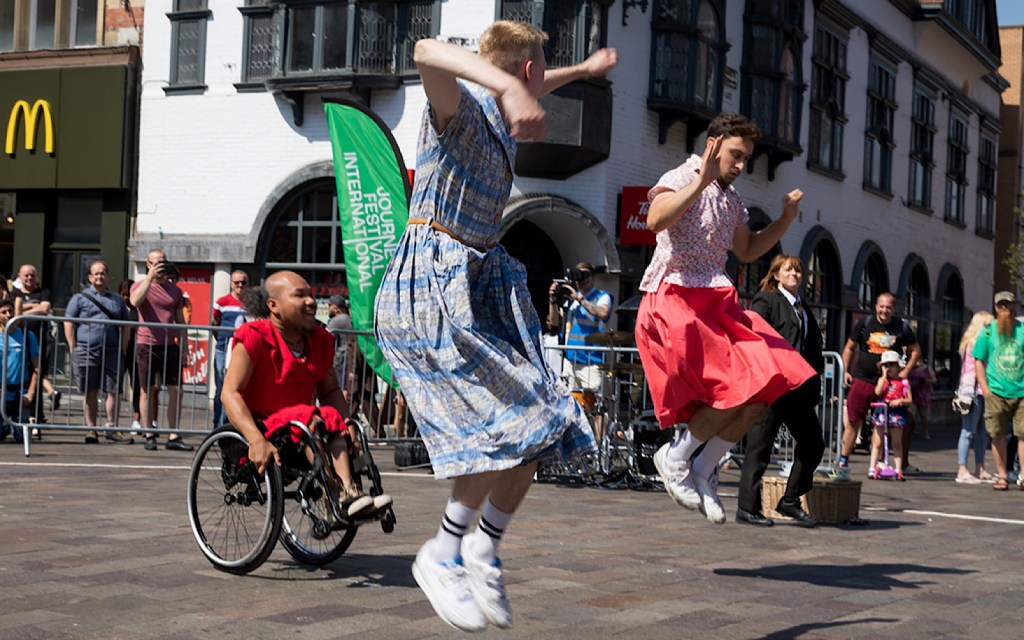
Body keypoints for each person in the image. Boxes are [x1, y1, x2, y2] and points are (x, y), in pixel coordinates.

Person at [374, 22, 617, 632]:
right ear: (523, 73)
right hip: (429, 285)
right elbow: (426, 50)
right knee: (498, 423)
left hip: (478, 281)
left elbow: (531, 76)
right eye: (540, 70)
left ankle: (481, 548)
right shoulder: (457, 108)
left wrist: (580, 73)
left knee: (544, 420)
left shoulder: (515, 92)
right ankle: (443, 552)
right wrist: (512, 91)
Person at [636, 113, 814, 526]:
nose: (740, 165)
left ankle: (703, 469)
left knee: (767, 383)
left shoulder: (732, 199)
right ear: (713, 145)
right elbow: (654, 219)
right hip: (677, 298)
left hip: (717, 301)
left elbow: (749, 250)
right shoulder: (682, 175)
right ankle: (676, 457)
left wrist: (785, 220)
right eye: (735, 155)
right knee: (731, 389)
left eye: (746, 158)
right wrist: (698, 183)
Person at [220, 271, 392, 520]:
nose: (311, 302)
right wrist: (256, 440)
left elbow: (330, 390)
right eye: (299, 295)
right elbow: (229, 393)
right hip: (263, 427)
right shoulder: (254, 337)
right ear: (273, 306)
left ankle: (348, 492)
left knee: (332, 419)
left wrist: (347, 426)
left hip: (303, 426)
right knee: (310, 417)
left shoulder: (319, 341)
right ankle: (333, 491)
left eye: (311, 295)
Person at [736, 255, 825, 527]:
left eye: (798, 271)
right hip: (772, 384)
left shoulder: (803, 307)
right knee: (759, 448)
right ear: (776, 275)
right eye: (788, 270)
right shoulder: (768, 300)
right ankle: (747, 509)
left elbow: (811, 345)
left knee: (813, 443)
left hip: (797, 387)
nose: (795, 274)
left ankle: (789, 500)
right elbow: (754, 330)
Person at [839, 293, 921, 474]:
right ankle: (843, 460)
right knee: (853, 421)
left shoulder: (902, 327)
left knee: (896, 423)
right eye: (881, 307)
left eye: (888, 307)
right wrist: (845, 370)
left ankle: (895, 464)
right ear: (876, 306)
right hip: (862, 379)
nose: (884, 311)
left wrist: (905, 372)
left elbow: (915, 351)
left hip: (890, 385)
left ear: (894, 309)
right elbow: (849, 347)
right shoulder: (865, 324)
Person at [63, 260, 133, 444]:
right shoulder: (79, 298)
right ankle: (91, 429)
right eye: (96, 273)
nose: (100, 276)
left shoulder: (117, 299)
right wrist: (73, 346)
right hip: (87, 351)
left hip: (112, 351)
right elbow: (68, 321)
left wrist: (123, 347)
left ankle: (112, 428)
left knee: (113, 391)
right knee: (90, 391)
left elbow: (127, 326)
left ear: (108, 277)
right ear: (89, 277)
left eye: (103, 273)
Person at [130, 249, 191, 452]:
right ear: (148, 264)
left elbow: (180, 321)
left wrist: (184, 347)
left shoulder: (175, 290)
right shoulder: (140, 285)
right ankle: (149, 434)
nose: (161, 266)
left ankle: (174, 434)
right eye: (156, 263)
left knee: (176, 390)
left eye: (163, 262)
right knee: (147, 390)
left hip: (169, 345)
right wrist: (150, 277)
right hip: (146, 344)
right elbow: (135, 302)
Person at [973, 291, 1024, 492]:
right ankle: (1002, 475)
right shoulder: (988, 331)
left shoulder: (1022, 330)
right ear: (995, 307)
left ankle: (1022, 476)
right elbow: (978, 359)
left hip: (1021, 392)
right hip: (996, 392)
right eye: (1000, 305)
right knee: (998, 434)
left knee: (1023, 435)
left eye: (1008, 304)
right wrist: (985, 388)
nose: (1004, 308)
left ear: (1013, 306)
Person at [11, 263, 60, 414]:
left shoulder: (43, 292)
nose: (29, 277)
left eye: (32, 274)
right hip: (18, 340)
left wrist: (22, 309)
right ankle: (19, 412)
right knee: (21, 376)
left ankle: (36, 415)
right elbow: (13, 312)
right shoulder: (15, 293)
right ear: (19, 276)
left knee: (38, 375)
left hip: (39, 340)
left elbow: (45, 308)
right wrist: (34, 307)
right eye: (26, 275)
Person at [954, 310, 995, 484]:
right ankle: (962, 470)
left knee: (981, 432)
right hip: (973, 390)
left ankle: (980, 467)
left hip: (971, 389)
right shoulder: (976, 343)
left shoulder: (967, 343)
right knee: (968, 430)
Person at [211, 270, 249, 428]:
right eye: (237, 282)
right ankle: (217, 425)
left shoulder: (251, 303)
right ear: (231, 284)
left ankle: (228, 425)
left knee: (234, 390)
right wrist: (221, 340)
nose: (240, 285)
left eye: (243, 282)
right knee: (221, 389)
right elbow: (215, 323)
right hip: (223, 349)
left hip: (242, 352)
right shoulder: (222, 302)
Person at [0, 299, 38, 443]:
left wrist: (30, 393)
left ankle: (16, 424)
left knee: (22, 437)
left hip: (19, 393)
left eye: (11, 311)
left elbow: (37, 367)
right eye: (3, 312)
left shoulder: (28, 336)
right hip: (1, 392)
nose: (8, 315)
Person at [869, 350, 911, 481]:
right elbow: (877, 392)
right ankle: (872, 467)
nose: (889, 368)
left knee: (896, 443)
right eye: (886, 365)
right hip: (882, 411)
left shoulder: (904, 382)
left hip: (896, 413)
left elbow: (909, 400)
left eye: (892, 365)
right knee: (878, 442)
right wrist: (882, 376)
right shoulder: (882, 380)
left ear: (898, 366)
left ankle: (898, 468)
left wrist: (900, 401)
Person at [118, 279, 143, 434]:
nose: (127, 297)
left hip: (135, 349)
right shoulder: (117, 307)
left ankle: (136, 419)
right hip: (120, 348)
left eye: (129, 294)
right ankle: (112, 420)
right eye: (124, 294)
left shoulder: (139, 308)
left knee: (137, 385)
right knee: (115, 386)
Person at [325, 294, 353, 394]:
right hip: (349, 356)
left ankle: (340, 409)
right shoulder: (348, 319)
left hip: (341, 357)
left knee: (342, 387)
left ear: (336, 309)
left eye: (330, 306)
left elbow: (325, 338)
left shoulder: (337, 320)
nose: (328, 309)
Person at [907, 358, 936, 441]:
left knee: (924, 415)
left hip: (924, 393)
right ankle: (912, 430)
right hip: (913, 392)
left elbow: (934, 379)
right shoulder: (910, 368)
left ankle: (926, 432)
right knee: (912, 413)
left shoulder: (927, 368)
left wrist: (926, 381)